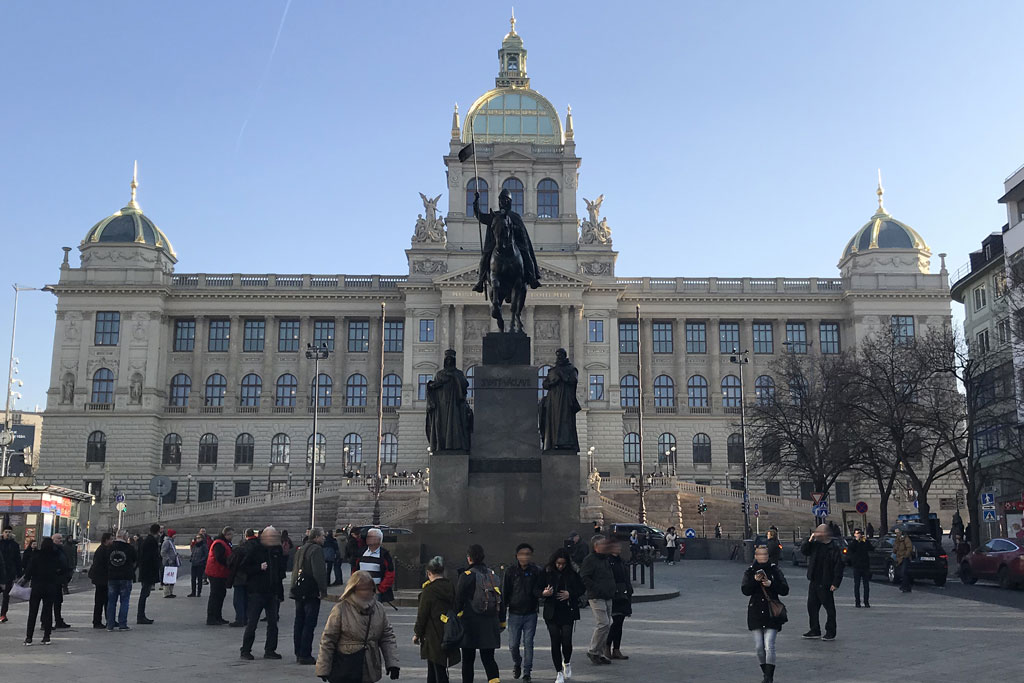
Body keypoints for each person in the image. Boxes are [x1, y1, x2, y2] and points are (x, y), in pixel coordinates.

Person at [316, 570, 400, 682]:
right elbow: (328, 639)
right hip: (346, 667)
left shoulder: (379, 609)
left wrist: (392, 663)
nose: (369, 592)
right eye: (364, 589)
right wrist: (323, 669)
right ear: (354, 589)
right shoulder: (341, 609)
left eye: (370, 589)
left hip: (370, 667)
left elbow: (387, 637)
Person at [471, 187, 542, 291]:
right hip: (497, 243)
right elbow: (480, 216)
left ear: (508, 202)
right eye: (500, 200)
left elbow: (522, 233)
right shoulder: (495, 215)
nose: (501, 202)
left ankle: (532, 277)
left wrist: (512, 227)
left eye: (503, 200)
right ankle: (480, 281)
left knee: (526, 254)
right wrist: (476, 202)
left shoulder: (515, 216)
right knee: (485, 255)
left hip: (515, 243)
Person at [741, 545, 790, 683]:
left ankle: (769, 677)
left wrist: (771, 583)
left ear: (768, 556)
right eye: (760, 555)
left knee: (769, 645)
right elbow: (745, 590)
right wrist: (755, 581)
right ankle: (766, 672)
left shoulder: (775, 570)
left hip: (771, 613)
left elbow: (785, 590)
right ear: (755, 556)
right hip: (756, 611)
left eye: (765, 555)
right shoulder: (750, 572)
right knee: (758, 647)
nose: (763, 557)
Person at [455, 544, 502, 683]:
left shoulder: (466, 576)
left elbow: (458, 601)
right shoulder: (492, 575)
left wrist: (451, 619)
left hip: (470, 624)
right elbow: (501, 600)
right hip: (490, 623)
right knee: (489, 659)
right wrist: (501, 621)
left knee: (468, 661)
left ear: (469, 558)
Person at [239, 526, 286, 660]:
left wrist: (280, 593)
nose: (273, 539)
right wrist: (258, 568)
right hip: (257, 592)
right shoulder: (255, 549)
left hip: (272, 592)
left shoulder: (277, 550)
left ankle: (270, 650)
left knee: (273, 623)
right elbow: (243, 567)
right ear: (264, 537)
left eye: (274, 537)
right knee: (252, 622)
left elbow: (279, 573)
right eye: (270, 537)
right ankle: (245, 650)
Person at [414, 555, 460, 683]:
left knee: (435, 669)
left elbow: (422, 614)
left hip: (432, 633)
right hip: (448, 630)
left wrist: (417, 633)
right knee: (439, 667)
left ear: (429, 573)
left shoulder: (429, 590)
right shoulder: (450, 586)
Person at [541, 548, 584, 683]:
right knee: (555, 640)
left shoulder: (572, 574)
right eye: (558, 563)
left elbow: (582, 588)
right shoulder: (547, 573)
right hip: (552, 611)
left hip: (567, 610)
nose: (560, 566)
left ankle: (567, 661)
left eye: (563, 564)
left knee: (566, 640)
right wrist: (544, 593)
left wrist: (570, 594)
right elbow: (536, 588)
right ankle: (558, 671)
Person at [502, 543, 542, 682]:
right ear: (517, 556)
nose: (525, 557)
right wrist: (502, 613)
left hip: (530, 613)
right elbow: (505, 592)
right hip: (514, 613)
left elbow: (539, 588)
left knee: (528, 643)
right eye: (522, 554)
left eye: (528, 554)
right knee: (513, 644)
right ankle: (517, 663)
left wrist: (543, 593)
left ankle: (527, 672)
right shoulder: (511, 571)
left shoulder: (536, 571)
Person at [291, 525, 328, 665]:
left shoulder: (301, 548)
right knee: (309, 623)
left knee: (299, 621)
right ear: (317, 537)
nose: (324, 538)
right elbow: (319, 572)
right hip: (311, 590)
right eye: (322, 536)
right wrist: (322, 590)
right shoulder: (316, 550)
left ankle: (298, 651)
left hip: (299, 589)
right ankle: (305, 653)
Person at [799, 524, 844, 641]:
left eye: (819, 532)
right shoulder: (815, 545)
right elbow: (804, 551)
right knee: (812, 607)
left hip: (826, 582)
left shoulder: (833, 547)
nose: (816, 533)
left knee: (829, 608)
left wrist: (836, 583)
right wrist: (810, 539)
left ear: (825, 534)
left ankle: (831, 631)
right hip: (814, 580)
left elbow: (838, 566)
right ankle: (814, 629)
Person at [22, 536, 64, 645]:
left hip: (37, 586)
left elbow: (28, 572)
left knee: (33, 612)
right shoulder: (55, 556)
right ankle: (46, 636)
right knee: (48, 611)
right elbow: (61, 569)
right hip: (50, 586)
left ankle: (29, 637)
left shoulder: (36, 555)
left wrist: (24, 581)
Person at [580, 534, 615, 665]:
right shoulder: (590, 560)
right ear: (596, 547)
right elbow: (584, 577)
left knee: (608, 624)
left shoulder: (605, 558)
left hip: (608, 595)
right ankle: (593, 650)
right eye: (603, 544)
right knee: (603, 623)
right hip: (596, 596)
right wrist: (597, 589)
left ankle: (599, 653)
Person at [105, 529, 137, 631]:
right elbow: (135, 560)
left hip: (112, 577)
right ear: (124, 537)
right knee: (124, 601)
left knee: (111, 601)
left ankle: (110, 624)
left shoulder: (109, 548)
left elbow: (105, 560)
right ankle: (122, 624)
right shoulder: (129, 548)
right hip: (125, 577)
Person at [606, 539, 632, 660]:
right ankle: (607, 646)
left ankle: (616, 649)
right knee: (616, 622)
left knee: (620, 622)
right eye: (616, 546)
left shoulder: (621, 561)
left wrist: (629, 590)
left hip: (623, 593)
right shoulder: (607, 561)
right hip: (614, 594)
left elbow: (626, 577)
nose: (619, 548)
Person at [355, 528, 396, 604]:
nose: (368, 539)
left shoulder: (384, 555)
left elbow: (390, 573)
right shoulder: (361, 552)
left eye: (371, 537)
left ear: (379, 539)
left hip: (375, 591)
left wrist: (380, 589)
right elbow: (354, 569)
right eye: (368, 536)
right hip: (360, 590)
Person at [206, 526, 234, 625]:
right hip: (216, 572)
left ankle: (218, 616)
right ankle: (212, 617)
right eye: (231, 535)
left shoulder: (223, 543)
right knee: (215, 595)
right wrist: (229, 563)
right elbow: (219, 558)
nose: (232, 537)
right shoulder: (219, 544)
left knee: (220, 594)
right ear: (227, 534)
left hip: (220, 572)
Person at [137, 523, 162, 624]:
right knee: (144, 594)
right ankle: (140, 616)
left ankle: (141, 615)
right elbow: (153, 558)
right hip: (148, 572)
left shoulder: (147, 540)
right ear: (158, 531)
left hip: (145, 571)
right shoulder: (151, 541)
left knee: (145, 593)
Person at [88, 532, 114, 628]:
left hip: (101, 578)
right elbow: (103, 565)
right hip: (101, 579)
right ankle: (97, 621)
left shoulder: (104, 549)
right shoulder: (103, 550)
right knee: (101, 601)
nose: (112, 541)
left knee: (105, 600)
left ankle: (108, 619)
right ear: (106, 540)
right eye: (111, 539)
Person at [1, 526, 23, 623]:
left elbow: (18, 559)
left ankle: (3, 614)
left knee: (6, 595)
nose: (8, 534)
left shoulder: (14, 545)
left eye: (9, 532)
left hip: (10, 573)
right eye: (6, 532)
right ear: (3, 533)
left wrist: (19, 573)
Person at [50, 532, 72, 629]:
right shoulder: (52, 549)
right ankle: (47, 622)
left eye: (60, 538)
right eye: (58, 538)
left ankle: (58, 620)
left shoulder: (61, 549)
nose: (60, 540)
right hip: (54, 579)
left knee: (58, 601)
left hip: (60, 579)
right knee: (51, 602)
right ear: (53, 540)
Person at [847, 528, 874, 608]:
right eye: (857, 533)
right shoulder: (853, 543)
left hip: (865, 566)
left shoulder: (865, 542)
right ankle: (857, 602)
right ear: (854, 534)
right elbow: (850, 551)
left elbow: (871, 548)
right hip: (857, 567)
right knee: (857, 585)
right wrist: (856, 540)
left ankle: (866, 602)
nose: (859, 534)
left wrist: (866, 541)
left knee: (866, 585)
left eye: (860, 533)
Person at [893, 528, 913, 593]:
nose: (896, 534)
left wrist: (906, 555)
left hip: (904, 558)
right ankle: (906, 586)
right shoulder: (897, 540)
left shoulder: (905, 539)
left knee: (904, 572)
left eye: (897, 532)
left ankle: (905, 587)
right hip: (899, 558)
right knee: (902, 573)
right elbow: (895, 549)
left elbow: (909, 547)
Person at [188, 532, 208, 597]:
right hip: (194, 563)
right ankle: (193, 592)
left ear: (202, 538)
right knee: (193, 578)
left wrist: (201, 560)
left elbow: (206, 555)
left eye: (199, 538)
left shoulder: (204, 545)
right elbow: (193, 552)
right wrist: (191, 558)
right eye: (196, 538)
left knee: (199, 578)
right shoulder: (195, 545)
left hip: (200, 564)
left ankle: (199, 592)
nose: (197, 539)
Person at [161, 529, 180, 597]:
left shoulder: (171, 541)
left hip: (173, 562)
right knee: (167, 577)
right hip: (168, 563)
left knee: (172, 577)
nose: (175, 535)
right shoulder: (167, 542)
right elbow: (163, 552)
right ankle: (166, 592)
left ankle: (170, 592)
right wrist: (168, 559)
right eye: (174, 534)